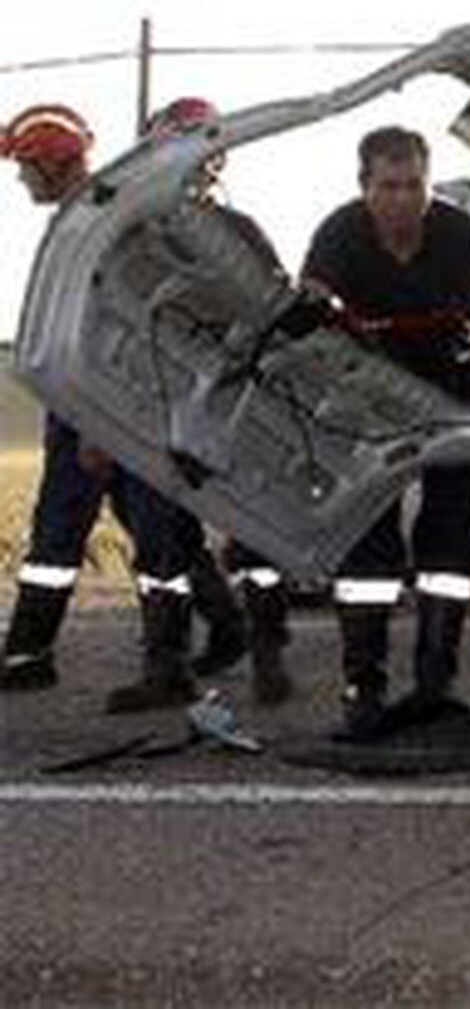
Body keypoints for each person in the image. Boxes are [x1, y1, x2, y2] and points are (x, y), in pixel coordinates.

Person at [0, 102, 238, 711]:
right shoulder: (93, 213)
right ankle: (221, 625)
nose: (20, 178)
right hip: (89, 400)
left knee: (128, 532)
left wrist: (99, 422)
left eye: (26, 166)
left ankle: (160, 667)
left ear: (53, 165)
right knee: (143, 528)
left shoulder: (104, 220)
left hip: (109, 403)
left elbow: (121, 328)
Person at [301, 126, 470, 740]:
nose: (402, 200)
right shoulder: (340, 233)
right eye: (388, 187)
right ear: (365, 188)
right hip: (368, 399)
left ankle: (434, 685)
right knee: (369, 550)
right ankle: (363, 691)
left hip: (448, 394)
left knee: (447, 547)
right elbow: (309, 306)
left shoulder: (454, 232)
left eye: (413, 185)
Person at [142, 96, 294, 705]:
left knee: (256, 537)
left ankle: (266, 650)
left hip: (236, 400)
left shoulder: (240, 233)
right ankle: (169, 663)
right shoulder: (134, 236)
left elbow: (277, 311)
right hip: (161, 403)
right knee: (163, 537)